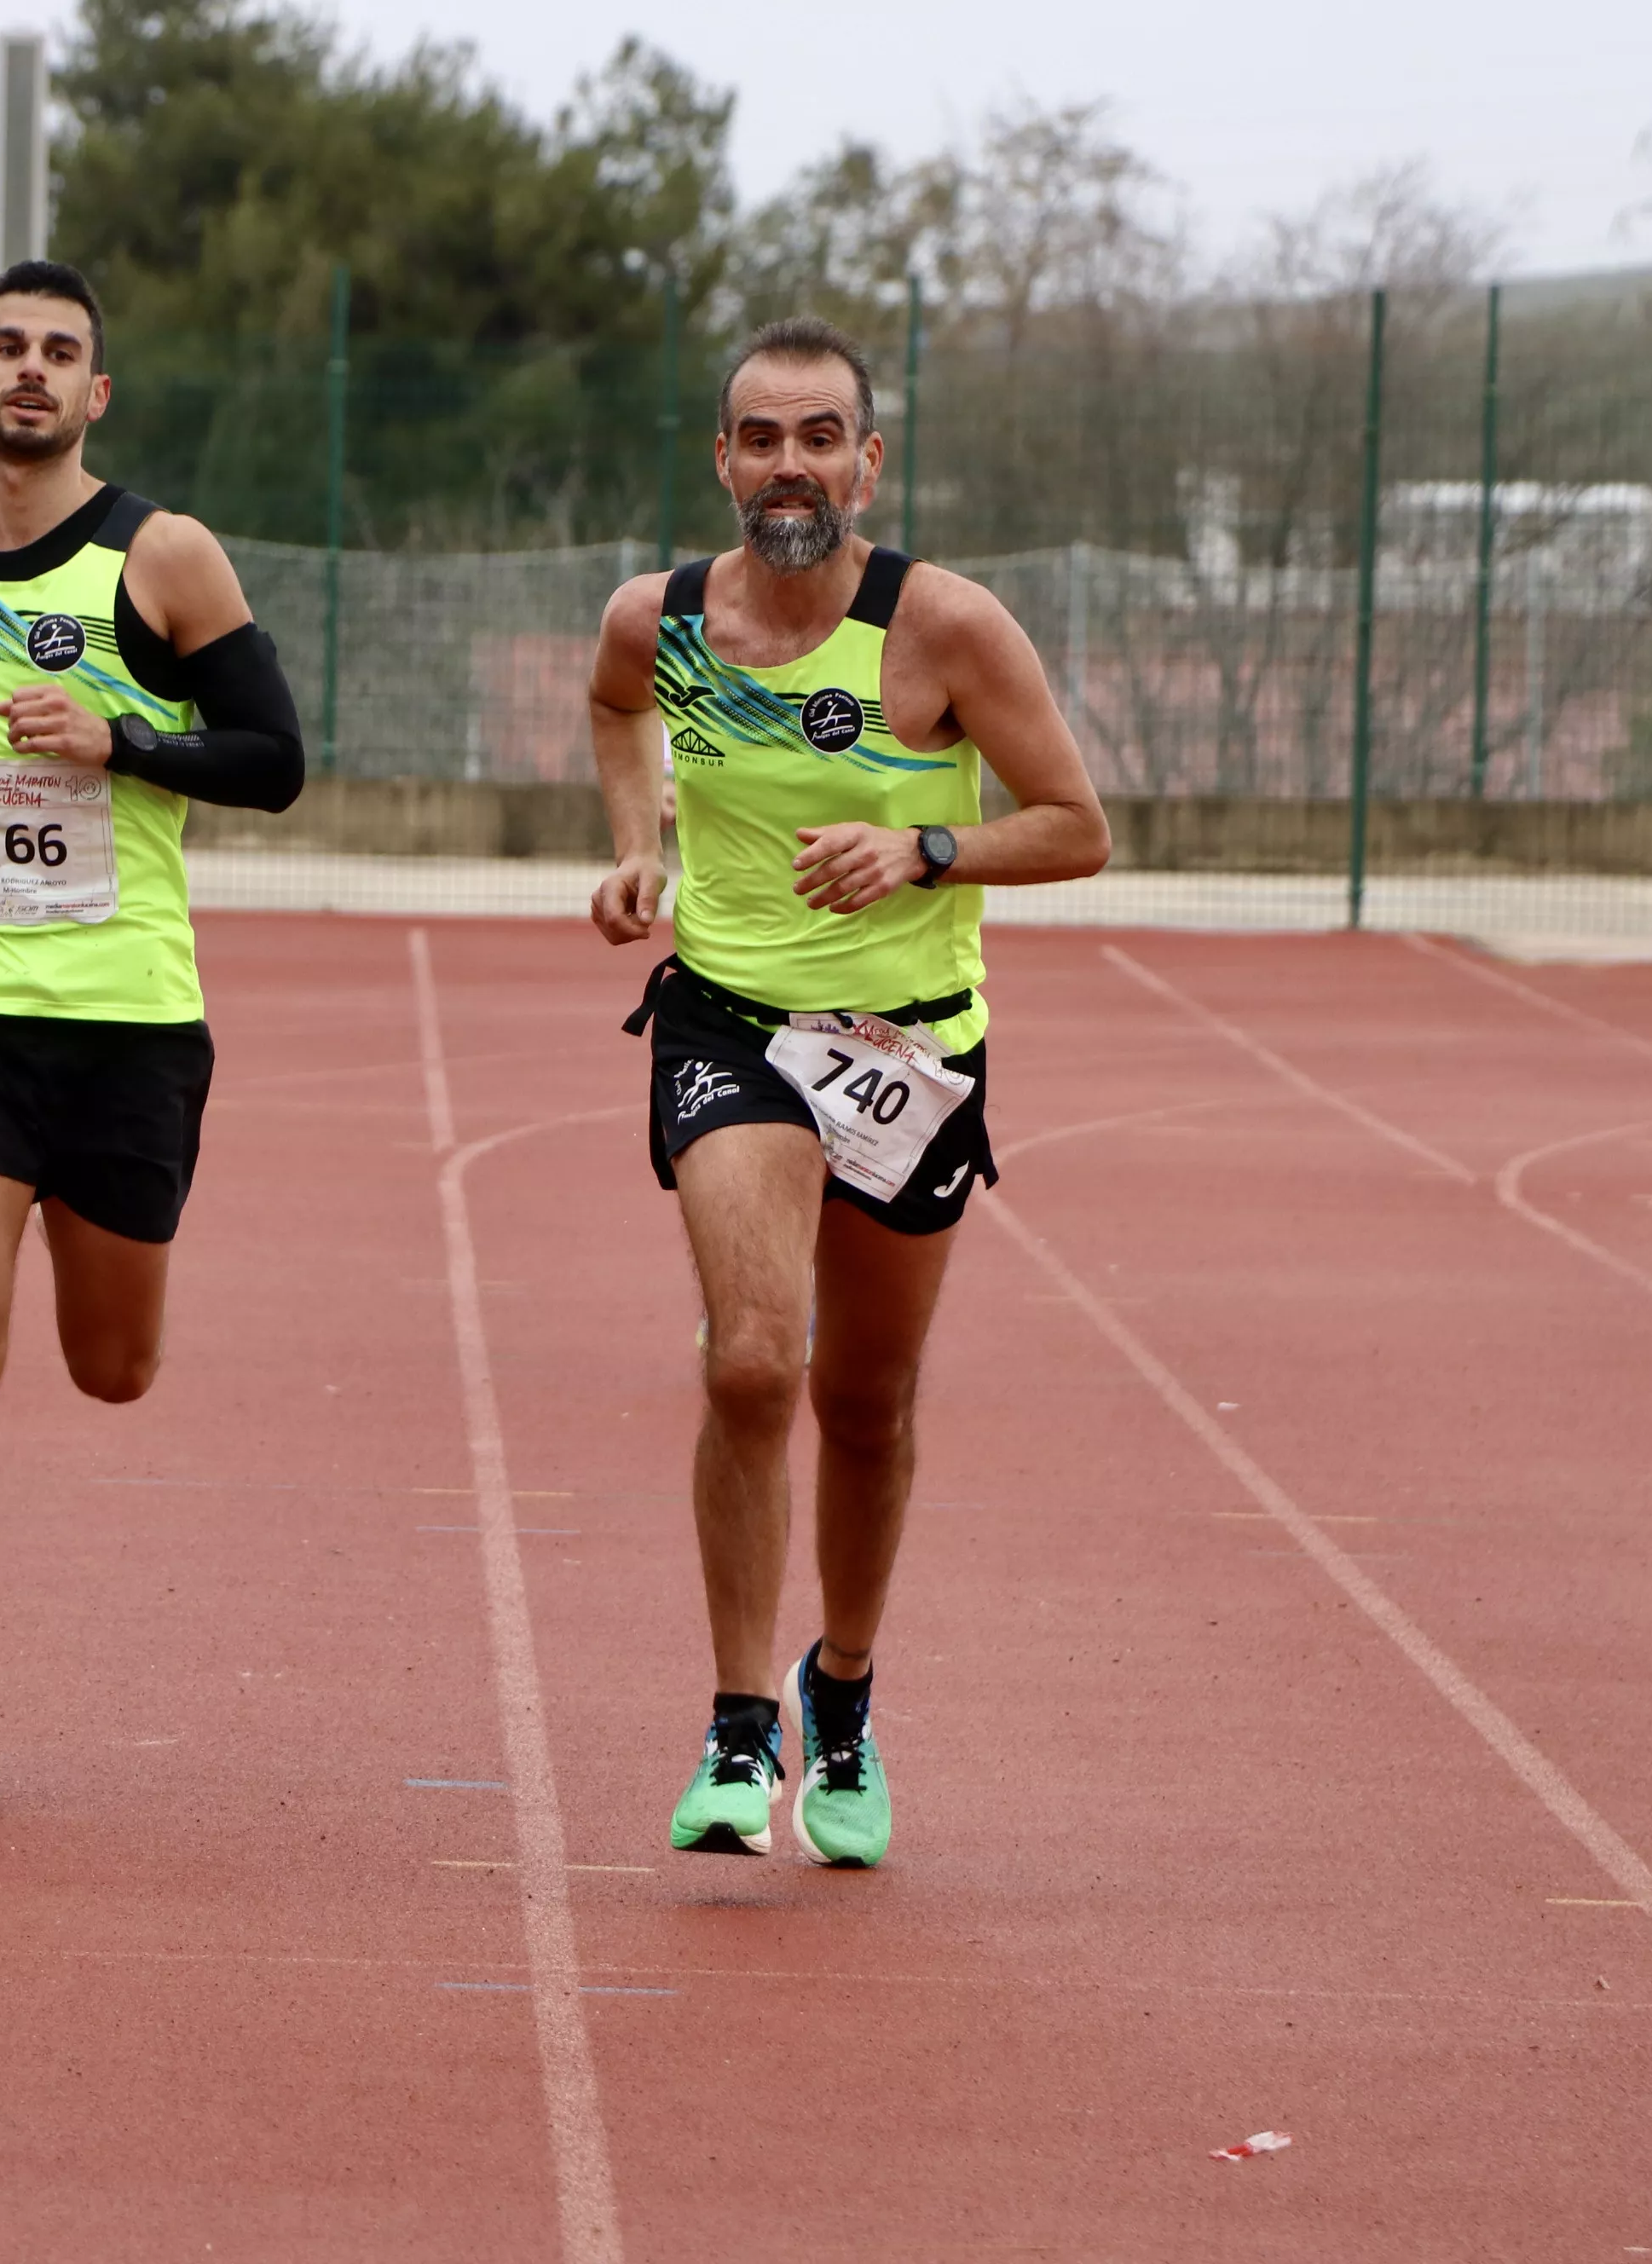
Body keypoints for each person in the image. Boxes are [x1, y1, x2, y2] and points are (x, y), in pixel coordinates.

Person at [586, 315, 1110, 1865]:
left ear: (868, 463)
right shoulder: (662, 619)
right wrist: (641, 844)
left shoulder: (944, 630)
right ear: (723, 461)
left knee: (864, 1403)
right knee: (754, 1360)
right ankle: (740, 1724)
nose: (790, 464)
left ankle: (846, 1693)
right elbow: (618, 707)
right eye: (762, 436)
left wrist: (924, 848)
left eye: (822, 436)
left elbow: (1079, 826)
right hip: (730, 1020)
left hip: (906, 1047)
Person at [0, 261, 305, 1808]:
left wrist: (125, 738)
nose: (30, 373)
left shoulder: (162, 559)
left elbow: (278, 759)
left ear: (96, 395)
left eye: (62, 355)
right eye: (5, 349)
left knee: (113, 1368)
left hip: (127, 1021)